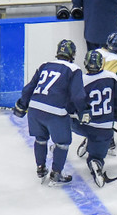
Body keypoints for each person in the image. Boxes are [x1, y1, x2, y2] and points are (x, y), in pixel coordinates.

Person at [13, 39, 88, 186]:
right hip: (55, 113)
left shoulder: (45, 65)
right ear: (73, 54)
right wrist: (83, 110)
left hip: (35, 110)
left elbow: (29, 88)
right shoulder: (74, 69)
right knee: (62, 143)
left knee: (40, 139)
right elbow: (77, 96)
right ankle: (56, 173)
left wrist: (22, 105)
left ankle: (41, 169)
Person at [73, 50, 117, 186]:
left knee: (64, 119)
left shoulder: (80, 80)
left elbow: (73, 104)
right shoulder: (112, 77)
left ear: (85, 63)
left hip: (84, 126)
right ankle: (96, 162)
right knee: (97, 155)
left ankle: (59, 144)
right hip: (105, 129)